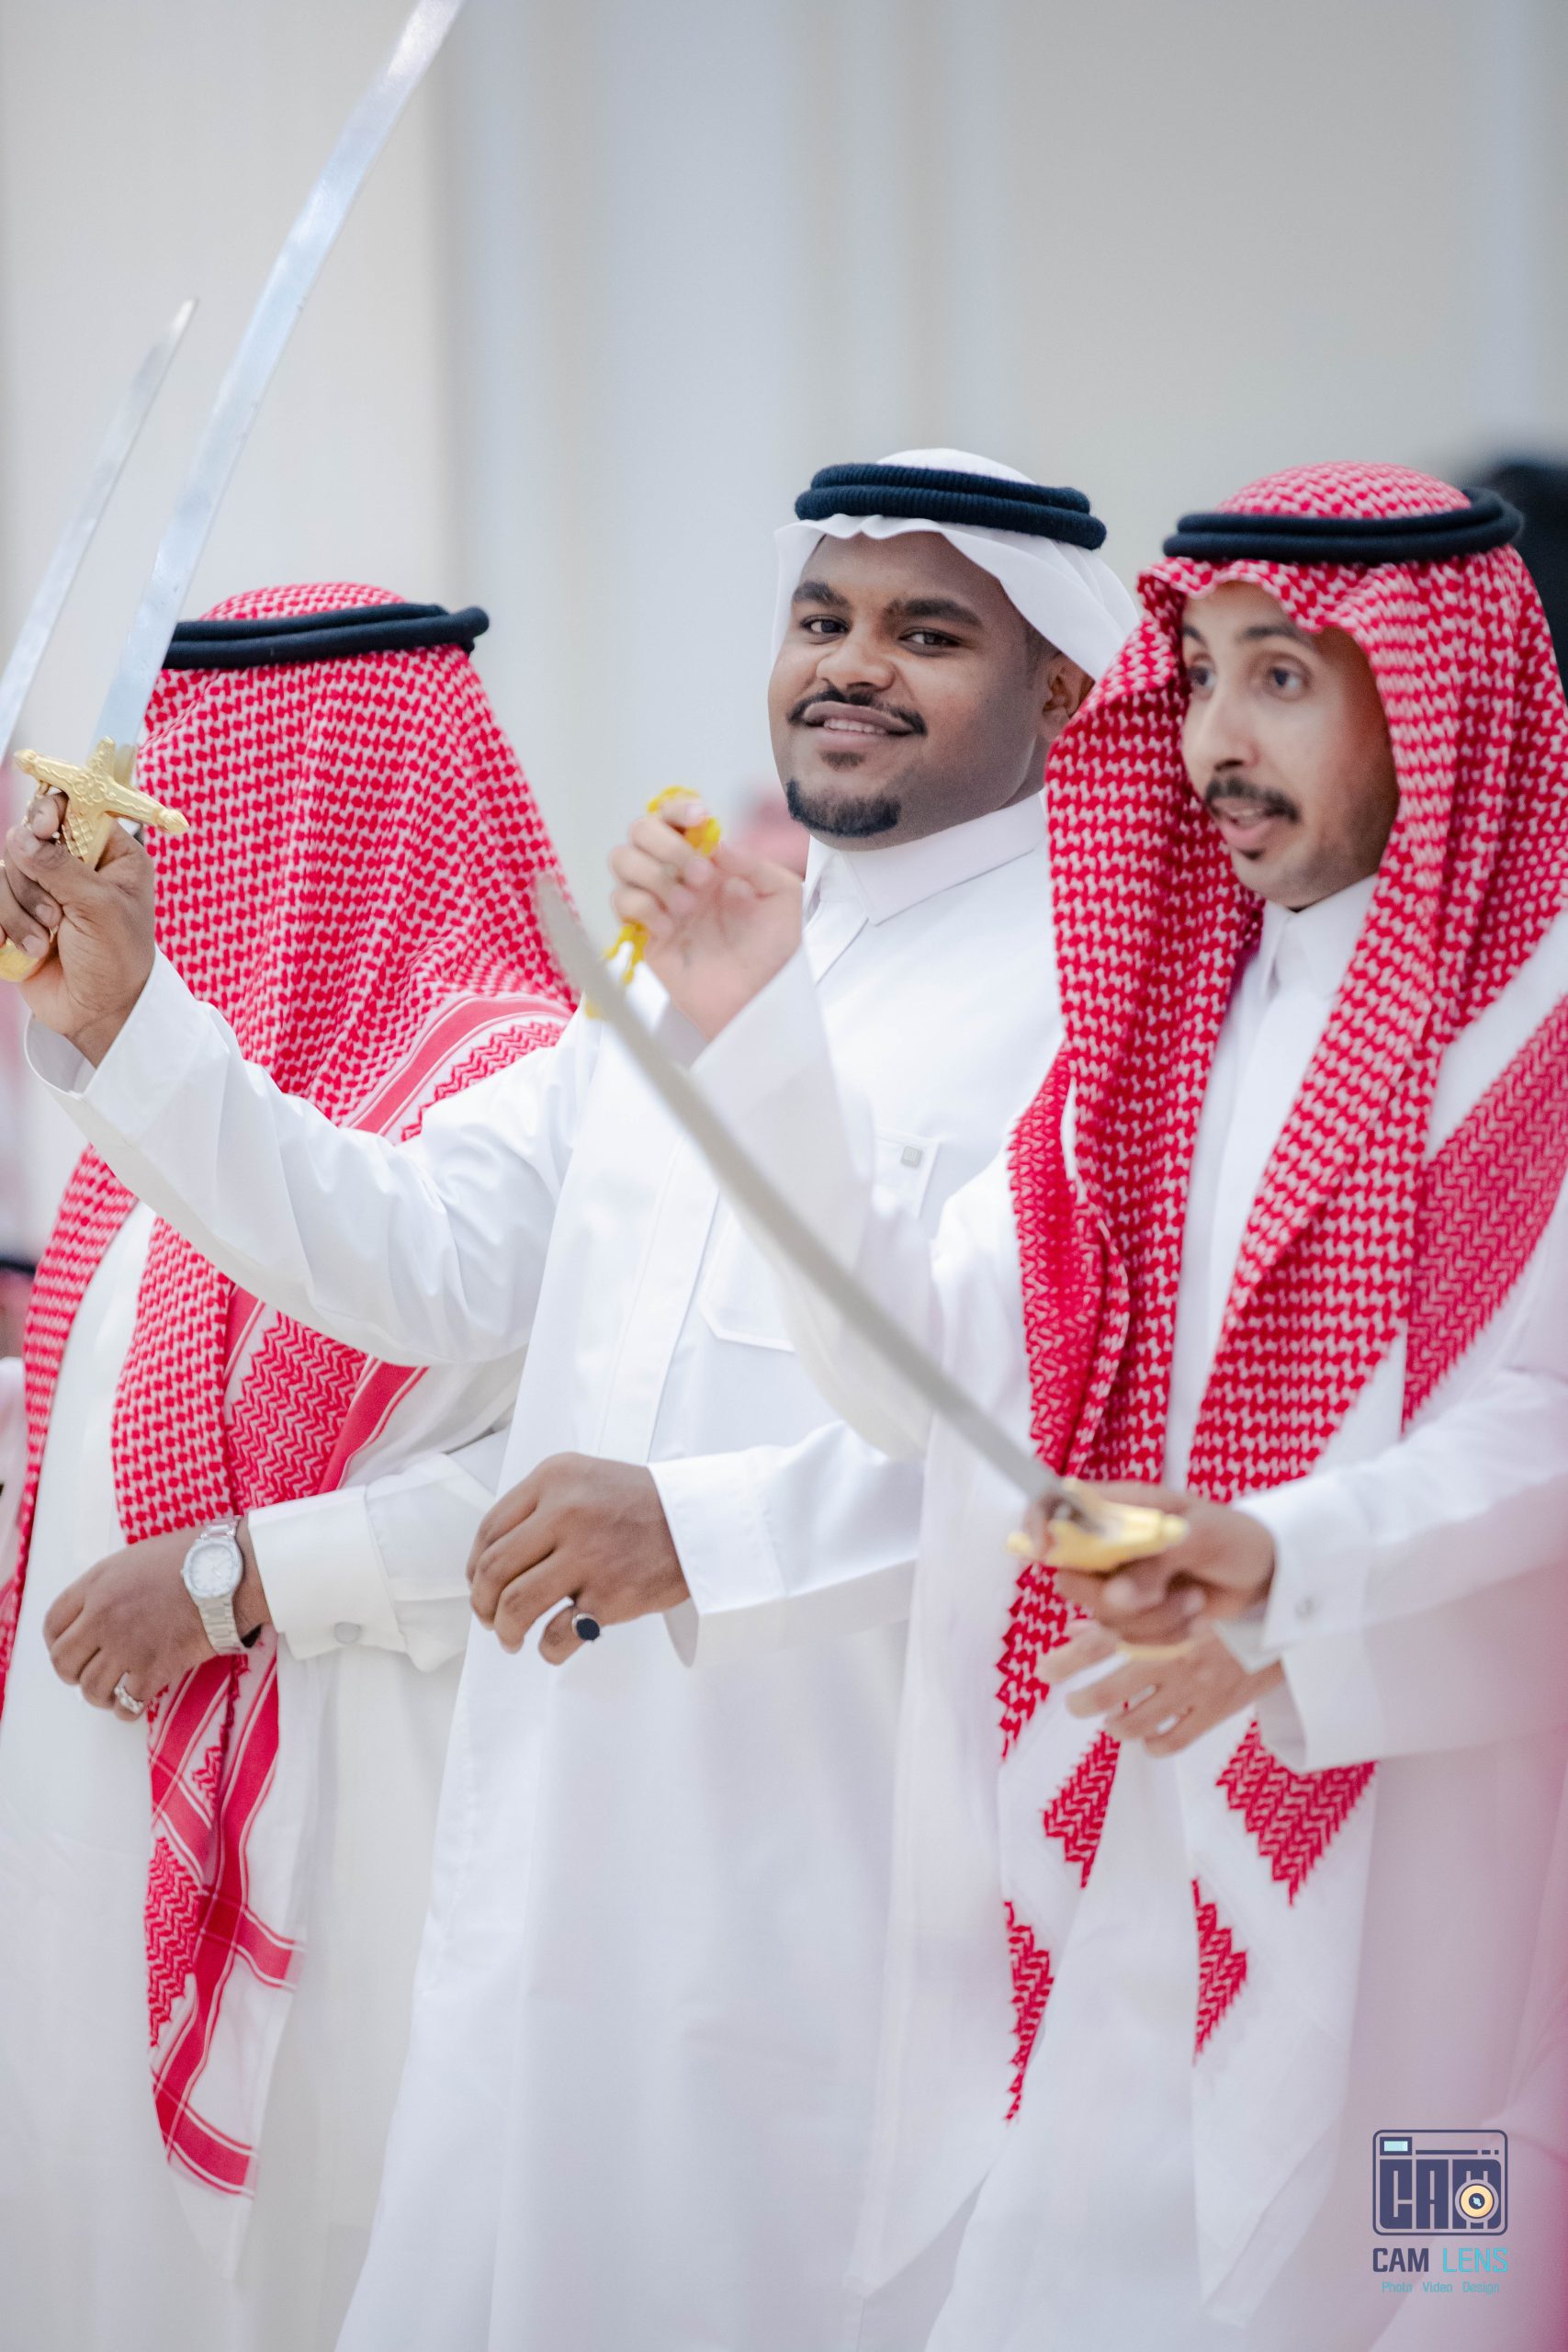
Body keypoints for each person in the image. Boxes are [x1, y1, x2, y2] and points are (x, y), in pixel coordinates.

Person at [1, 451, 1135, 2350]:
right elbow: (415, 1251)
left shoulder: (1083, 1010)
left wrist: (699, 1529)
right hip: (553, 1840)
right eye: (821, 619)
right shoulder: (697, 967)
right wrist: (131, 1019)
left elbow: (1046, 1452)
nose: (851, 664)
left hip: (843, 1863)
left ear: (1067, 689)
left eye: (927, 633)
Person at [620, 464, 1568, 2348]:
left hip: (1441, 1872)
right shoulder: (1150, 1047)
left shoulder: (1532, 1043)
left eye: (1282, 678)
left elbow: (1540, 1427)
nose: (1217, 740)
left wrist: (1277, 1576)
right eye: (1197, 675)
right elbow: (917, 1373)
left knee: (1421, 2282)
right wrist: (764, 1036)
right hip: (1142, 1854)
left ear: (1432, 696)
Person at [0, 585, 570, 2351]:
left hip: (371, 1806)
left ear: (385, 786)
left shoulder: (521, 1091)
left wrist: (242, 1580)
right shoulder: (160, 1118)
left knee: (332, 2254)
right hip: (89, 1820)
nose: (202, 839)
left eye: (244, 782)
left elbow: (551, 1483)